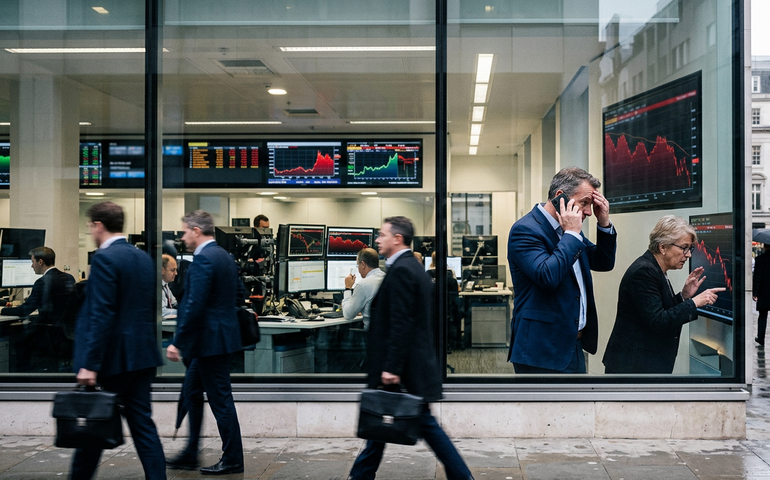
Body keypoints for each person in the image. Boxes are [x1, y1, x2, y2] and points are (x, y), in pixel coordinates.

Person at [348, 216, 473, 480]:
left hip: (404, 369)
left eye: (382, 235)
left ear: (398, 238)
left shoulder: (404, 269)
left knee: (416, 426)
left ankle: (462, 477)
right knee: (379, 428)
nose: (378, 239)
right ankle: (360, 475)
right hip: (409, 367)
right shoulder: (408, 266)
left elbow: (401, 324)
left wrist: (392, 368)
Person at [71, 202, 165, 480]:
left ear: (98, 225)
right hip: (142, 356)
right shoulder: (142, 258)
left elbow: (101, 314)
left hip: (113, 359)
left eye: (90, 226)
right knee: (143, 428)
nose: (90, 230)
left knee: (93, 429)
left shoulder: (104, 258)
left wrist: (89, 364)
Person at [507, 167, 617, 374]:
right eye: (584, 202)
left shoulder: (569, 232)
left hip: (572, 345)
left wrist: (604, 223)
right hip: (540, 350)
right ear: (560, 197)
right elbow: (547, 276)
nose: (587, 211)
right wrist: (572, 234)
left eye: (590, 205)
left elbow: (603, 262)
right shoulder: (526, 230)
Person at [166, 210, 244, 476]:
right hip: (216, 340)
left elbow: (194, 306)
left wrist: (178, 341)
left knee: (221, 400)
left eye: (185, 231)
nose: (183, 236)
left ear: (197, 231)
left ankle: (233, 458)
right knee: (191, 392)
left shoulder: (203, 260)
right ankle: (190, 453)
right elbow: (240, 295)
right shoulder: (224, 256)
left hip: (209, 342)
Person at [603, 216, 725, 373]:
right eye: (684, 248)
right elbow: (658, 321)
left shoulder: (654, 268)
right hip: (634, 367)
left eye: (690, 249)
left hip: (642, 364)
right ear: (663, 247)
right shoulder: (644, 271)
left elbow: (656, 310)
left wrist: (683, 296)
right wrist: (694, 303)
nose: (688, 255)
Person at [2, 246, 75, 371]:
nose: (32, 266)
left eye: (32, 262)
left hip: (49, 335)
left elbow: (23, 311)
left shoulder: (42, 282)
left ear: (40, 262)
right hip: (67, 334)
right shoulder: (69, 278)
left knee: (18, 341)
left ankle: (19, 377)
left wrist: (2, 310)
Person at [342, 247, 385, 331]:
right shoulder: (387, 278)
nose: (358, 269)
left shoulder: (363, 285)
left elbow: (348, 315)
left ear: (363, 264)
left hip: (371, 336)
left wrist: (347, 288)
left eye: (357, 264)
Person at [755, 244, 770, 346]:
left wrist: (755, 293)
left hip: (764, 292)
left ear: (765, 247)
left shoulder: (760, 259)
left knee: (762, 316)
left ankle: (761, 338)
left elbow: (757, 277)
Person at [161, 254, 179, 318]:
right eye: (172, 270)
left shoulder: (165, 286)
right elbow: (162, 312)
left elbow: (174, 303)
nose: (176, 273)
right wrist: (182, 312)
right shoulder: (157, 288)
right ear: (162, 270)